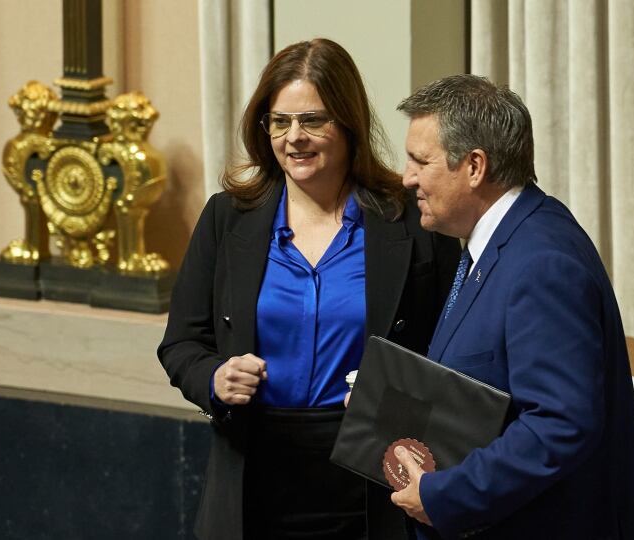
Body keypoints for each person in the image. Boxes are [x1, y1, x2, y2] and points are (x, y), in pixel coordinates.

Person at [157, 38, 460, 540]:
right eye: (279, 122)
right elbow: (181, 343)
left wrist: (393, 397)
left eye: (313, 120)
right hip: (253, 474)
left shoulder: (410, 221)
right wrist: (214, 378)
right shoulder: (226, 218)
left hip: (373, 477)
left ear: (347, 121)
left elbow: (451, 353)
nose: (294, 137)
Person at [390, 74, 634, 539]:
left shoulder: (541, 262)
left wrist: (447, 494)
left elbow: (558, 424)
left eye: (421, 161)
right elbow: (482, 384)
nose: (407, 177)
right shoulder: (501, 237)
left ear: (475, 166)